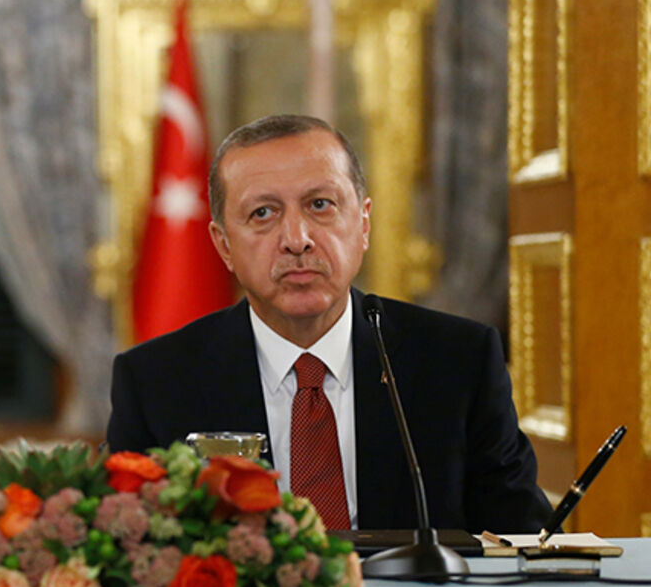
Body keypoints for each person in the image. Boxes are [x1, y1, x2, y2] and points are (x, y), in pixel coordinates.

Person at [107, 114, 552, 533]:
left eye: (320, 205)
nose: (297, 240)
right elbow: (131, 551)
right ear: (223, 246)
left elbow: (523, 540)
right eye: (263, 213)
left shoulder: (458, 363)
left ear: (362, 223)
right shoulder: (156, 382)